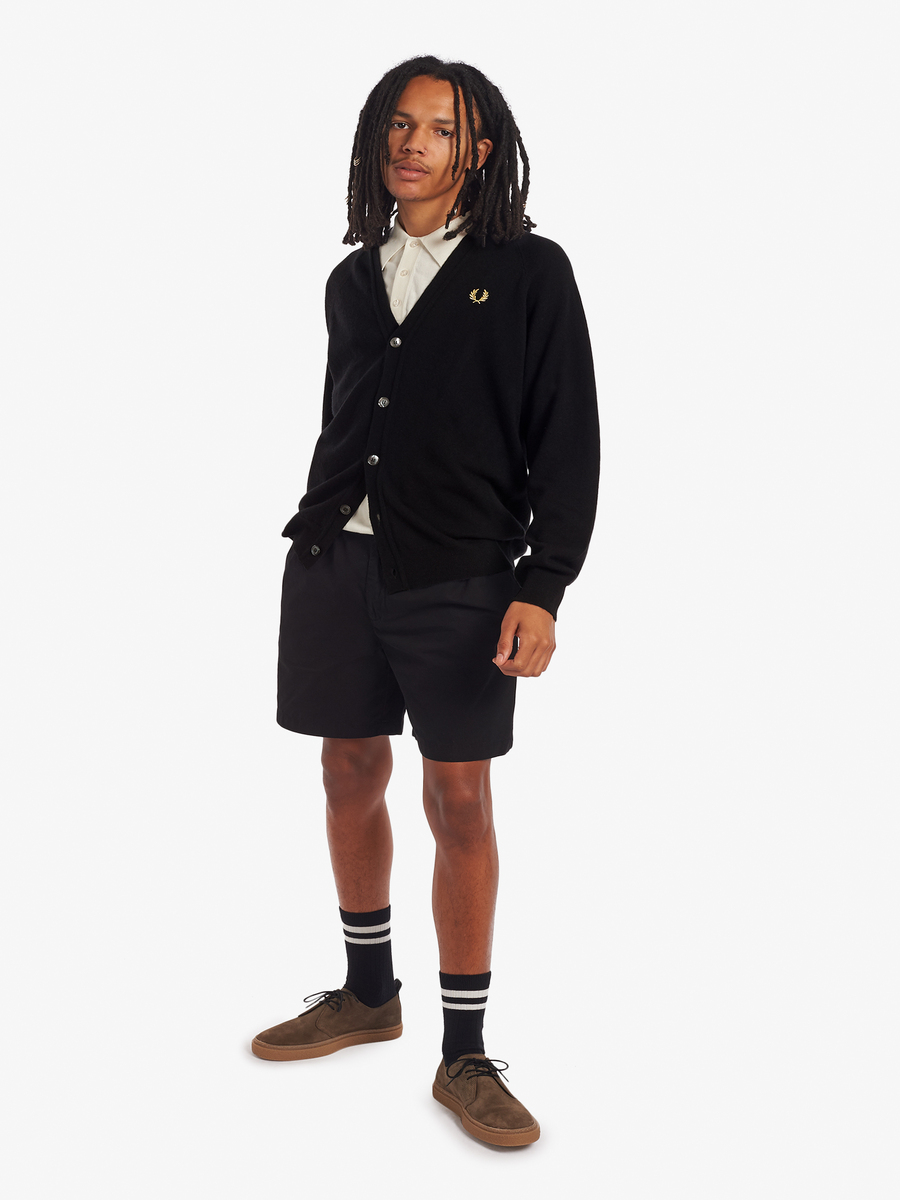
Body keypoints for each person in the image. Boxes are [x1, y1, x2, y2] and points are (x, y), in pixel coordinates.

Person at [251, 55, 600, 1148]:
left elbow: (569, 437)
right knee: (346, 771)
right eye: (399, 124)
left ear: (478, 152)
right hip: (336, 565)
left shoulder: (529, 270)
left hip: (462, 575)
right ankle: (369, 994)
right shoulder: (352, 280)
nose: (412, 143)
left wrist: (543, 587)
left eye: (440, 129)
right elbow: (349, 415)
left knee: (459, 800)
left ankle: (464, 1053)